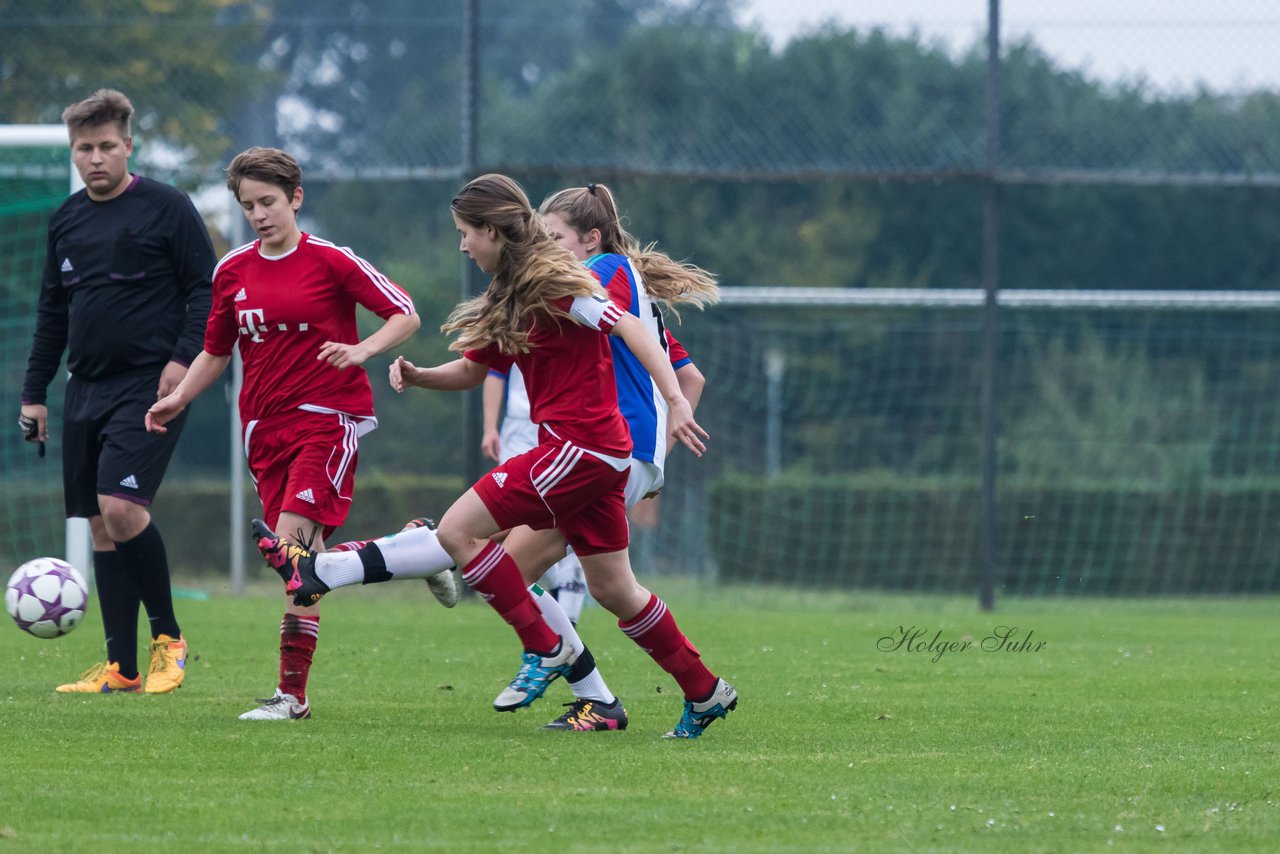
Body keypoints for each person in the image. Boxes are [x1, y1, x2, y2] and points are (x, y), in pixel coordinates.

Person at [255, 173, 737, 739]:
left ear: (492, 230)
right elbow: (474, 369)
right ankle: (704, 692)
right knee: (613, 589)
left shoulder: (553, 281)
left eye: (466, 233)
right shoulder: (512, 290)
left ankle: (543, 644)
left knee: (460, 533)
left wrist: (677, 403)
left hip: (582, 449)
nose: (461, 245)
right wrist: (419, 375)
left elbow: (627, 324)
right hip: (595, 458)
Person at [144, 146, 452, 721]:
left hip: (328, 419)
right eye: (248, 205)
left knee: (292, 557)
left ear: (296, 199)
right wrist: (178, 398)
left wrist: (361, 350)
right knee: (308, 564)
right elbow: (215, 350)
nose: (259, 214)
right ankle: (422, 549)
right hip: (263, 429)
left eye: (269, 202)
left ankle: (292, 698)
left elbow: (404, 312)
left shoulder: (332, 261)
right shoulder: (232, 270)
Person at [19, 89, 214, 695]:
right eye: (85, 148)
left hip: (150, 385)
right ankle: (122, 668)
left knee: (124, 509)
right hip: (86, 388)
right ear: (73, 152)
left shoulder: (168, 207)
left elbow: (206, 293)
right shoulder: (66, 220)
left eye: (107, 146)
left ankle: (170, 641)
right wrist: (34, 394)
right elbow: (53, 312)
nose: (96, 157)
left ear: (128, 146)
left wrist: (183, 362)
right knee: (102, 525)